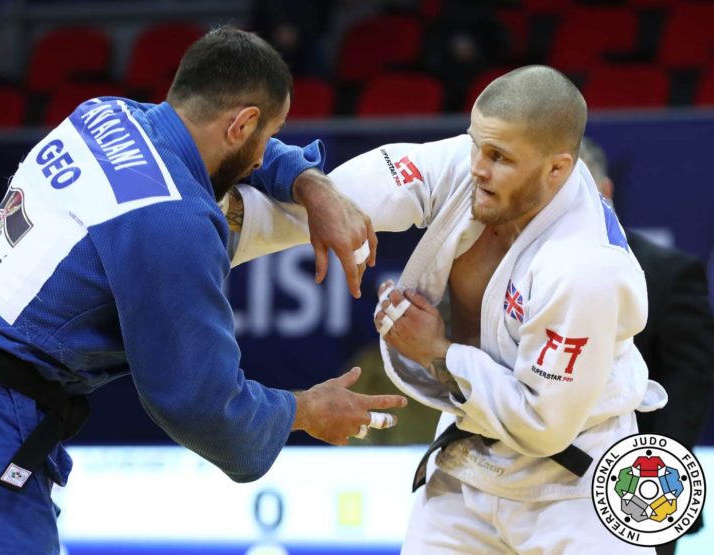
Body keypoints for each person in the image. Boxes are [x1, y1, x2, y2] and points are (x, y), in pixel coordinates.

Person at [0, 27, 408, 554]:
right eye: (264, 137)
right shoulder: (172, 220)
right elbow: (202, 405)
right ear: (241, 124)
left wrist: (310, 182)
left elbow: (253, 149)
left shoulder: (105, 113)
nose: (261, 160)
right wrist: (305, 410)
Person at [224, 65, 668, 553]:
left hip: (575, 485)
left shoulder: (583, 267)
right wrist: (237, 227)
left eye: (498, 157)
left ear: (556, 169)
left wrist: (435, 350)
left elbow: (545, 425)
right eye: (476, 143)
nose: (477, 165)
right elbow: (359, 195)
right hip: (466, 466)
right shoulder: (474, 163)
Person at [581, 136, 714, 555]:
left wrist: (652, 481)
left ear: (605, 191)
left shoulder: (670, 273)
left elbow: (688, 386)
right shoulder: (520, 272)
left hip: (636, 488)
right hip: (529, 486)